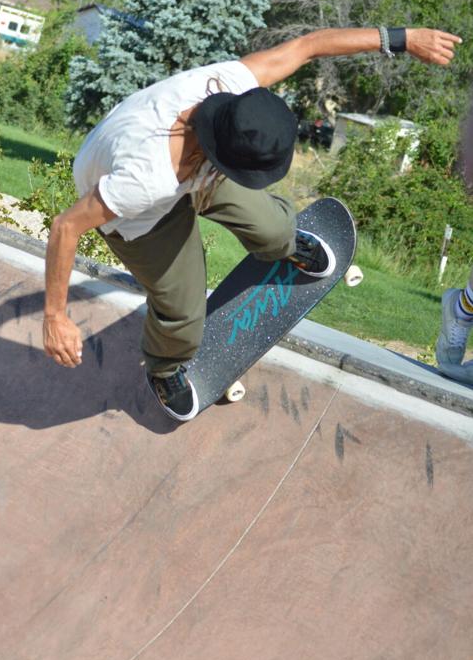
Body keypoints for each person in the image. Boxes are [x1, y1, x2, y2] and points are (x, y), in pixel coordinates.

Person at [43, 25, 461, 421]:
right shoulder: (145, 179)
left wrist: (403, 39)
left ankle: (285, 243)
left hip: (199, 152)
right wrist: (55, 317)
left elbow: (309, 46)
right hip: (139, 216)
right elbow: (66, 227)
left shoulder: (233, 85)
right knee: (184, 316)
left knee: (275, 231)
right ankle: (165, 368)